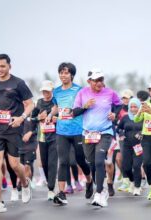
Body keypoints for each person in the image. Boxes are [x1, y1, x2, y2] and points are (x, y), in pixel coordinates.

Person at [0, 54, 34, 214]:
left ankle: (25, 184)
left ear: (9, 66)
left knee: (14, 164)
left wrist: (21, 118)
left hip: (13, 128)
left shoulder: (18, 83)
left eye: (2, 66)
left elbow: (30, 104)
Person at [73, 69, 122, 207]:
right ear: (90, 81)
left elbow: (119, 105)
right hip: (88, 134)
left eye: (101, 79)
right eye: (96, 80)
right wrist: (85, 106)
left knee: (100, 161)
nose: (100, 83)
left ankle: (100, 192)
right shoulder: (82, 93)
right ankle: (96, 186)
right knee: (93, 163)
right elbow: (74, 112)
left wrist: (114, 114)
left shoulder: (110, 92)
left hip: (105, 132)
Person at [51, 63, 93, 205]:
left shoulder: (80, 90)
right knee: (63, 162)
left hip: (77, 131)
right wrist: (50, 114)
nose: (63, 75)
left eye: (66, 73)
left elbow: (85, 107)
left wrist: (80, 110)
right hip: (61, 131)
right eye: (61, 72)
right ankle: (62, 193)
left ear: (72, 75)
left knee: (81, 160)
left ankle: (89, 180)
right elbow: (57, 107)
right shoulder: (56, 91)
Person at [34, 80, 58, 200]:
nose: (45, 93)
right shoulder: (39, 102)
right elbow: (32, 117)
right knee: (45, 163)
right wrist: (39, 117)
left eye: (47, 91)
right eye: (43, 91)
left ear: (52, 91)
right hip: (42, 137)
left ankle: (51, 188)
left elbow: (64, 116)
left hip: (55, 137)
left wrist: (56, 119)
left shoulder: (56, 102)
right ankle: (51, 185)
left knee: (52, 163)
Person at [116, 97, 143, 196]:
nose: (133, 109)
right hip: (127, 144)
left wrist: (141, 133)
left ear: (139, 107)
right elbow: (118, 129)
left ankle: (137, 187)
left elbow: (146, 128)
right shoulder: (125, 118)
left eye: (135, 107)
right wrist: (121, 132)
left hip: (139, 145)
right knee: (126, 167)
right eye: (131, 107)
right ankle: (132, 181)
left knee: (136, 166)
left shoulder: (143, 117)